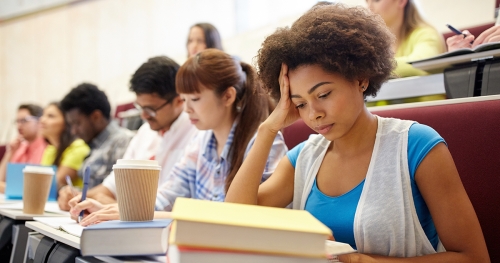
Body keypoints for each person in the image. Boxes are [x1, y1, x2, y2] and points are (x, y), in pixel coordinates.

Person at [224, 4, 489, 262]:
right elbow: (236, 220)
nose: (313, 114)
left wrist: (364, 261)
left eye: (324, 94)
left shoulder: (416, 145)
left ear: (361, 78)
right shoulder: (305, 157)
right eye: (301, 103)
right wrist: (267, 128)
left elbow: (473, 257)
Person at [68, 49, 288, 225]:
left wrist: (129, 213)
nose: (187, 109)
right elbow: (167, 198)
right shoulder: (201, 141)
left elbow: (237, 219)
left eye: (195, 99)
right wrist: (115, 210)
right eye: (184, 100)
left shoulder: (265, 142)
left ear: (228, 96)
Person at [57, 56, 198, 211]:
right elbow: (111, 186)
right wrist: (77, 199)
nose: (143, 116)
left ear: (179, 100)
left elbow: (172, 204)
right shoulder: (145, 132)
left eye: (151, 109)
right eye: (140, 107)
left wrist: (112, 204)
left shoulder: (196, 133)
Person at [59, 83, 133, 190]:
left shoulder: (123, 141)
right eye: (71, 125)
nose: (74, 131)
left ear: (96, 116)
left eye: (77, 123)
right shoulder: (94, 144)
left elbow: (121, 192)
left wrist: (79, 196)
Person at [366, 0, 444, 78]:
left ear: (401, 1)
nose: (369, 8)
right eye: (367, 1)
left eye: (376, 0)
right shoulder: (372, 41)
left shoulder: (427, 33)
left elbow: (422, 64)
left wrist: (368, 67)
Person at [39, 103, 90, 188]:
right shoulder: (50, 149)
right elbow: (40, 181)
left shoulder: (78, 147)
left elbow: (54, 183)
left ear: (67, 122)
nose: (42, 120)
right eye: (43, 115)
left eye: (50, 116)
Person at [0, 104, 47, 193]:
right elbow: (1, 180)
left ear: (39, 121)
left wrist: (7, 188)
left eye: (24, 120)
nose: (19, 125)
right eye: (17, 121)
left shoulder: (48, 147)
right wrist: (10, 153)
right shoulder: (19, 147)